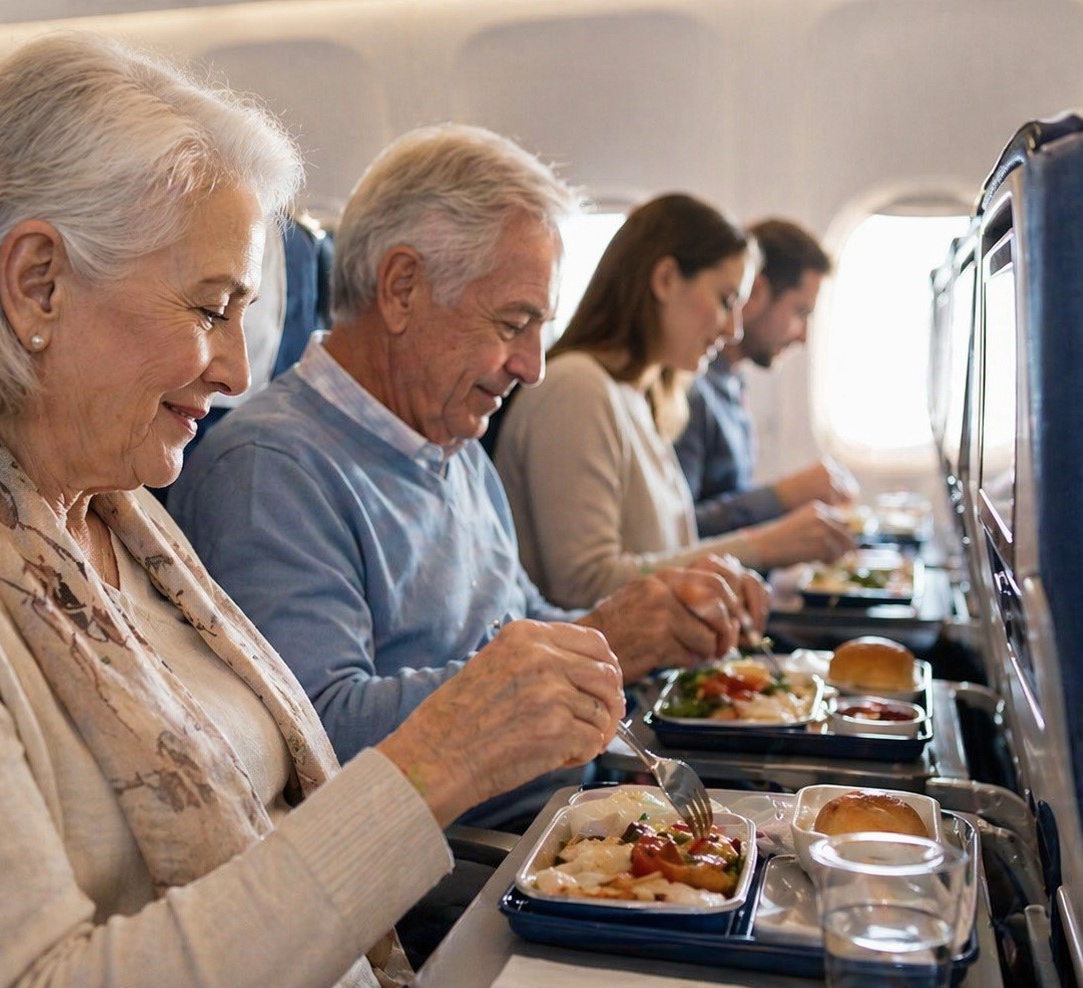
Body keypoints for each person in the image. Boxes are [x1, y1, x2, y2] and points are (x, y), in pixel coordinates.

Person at [0, 37, 633, 988]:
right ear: (37, 286)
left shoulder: (126, 528)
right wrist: (430, 769)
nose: (239, 371)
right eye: (209, 308)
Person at [170, 126, 766, 829]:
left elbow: (522, 625)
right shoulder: (270, 470)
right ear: (400, 289)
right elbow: (312, 743)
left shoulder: (453, 442)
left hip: (550, 829)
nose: (532, 367)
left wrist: (650, 622)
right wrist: (603, 639)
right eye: (514, 323)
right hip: (450, 889)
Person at [493, 195, 858, 611]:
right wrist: (764, 546)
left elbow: (667, 554)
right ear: (665, 279)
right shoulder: (576, 389)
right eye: (724, 301)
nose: (734, 329)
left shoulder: (641, 398)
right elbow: (585, 586)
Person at [676, 217, 858, 537]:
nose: (803, 337)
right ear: (756, 292)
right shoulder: (692, 390)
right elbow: (679, 532)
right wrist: (782, 497)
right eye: (800, 312)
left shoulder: (732, 382)